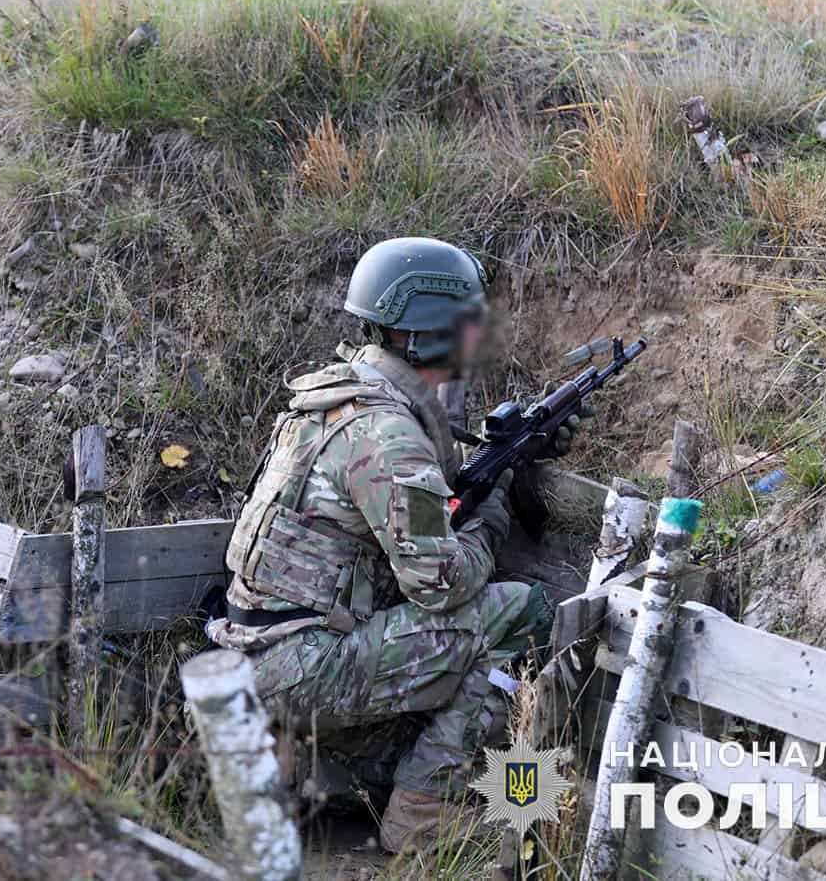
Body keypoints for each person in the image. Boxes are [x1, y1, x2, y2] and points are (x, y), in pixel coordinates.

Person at [207, 237, 584, 854]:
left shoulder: (336, 400)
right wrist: (490, 512)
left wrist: (506, 458)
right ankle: (423, 820)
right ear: (425, 333)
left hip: (254, 650)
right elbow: (440, 585)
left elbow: (411, 499)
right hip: (304, 668)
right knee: (523, 611)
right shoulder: (389, 434)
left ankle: (338, 779)